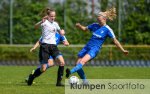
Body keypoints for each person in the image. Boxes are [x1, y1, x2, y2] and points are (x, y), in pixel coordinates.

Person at [65, 7, 129, 81]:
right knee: (77, 64)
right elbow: (85, 29)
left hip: (94, 49)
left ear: (104, 18)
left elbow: (115, 41)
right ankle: (85, 82)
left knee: (82, 62)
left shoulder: (108, 29)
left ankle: (70, 72)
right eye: (97, 16)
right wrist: (79, 26)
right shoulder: (95, 25)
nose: (97, 17)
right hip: (87, 46)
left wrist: (123, 50)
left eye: (99, 16)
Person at [27, 8, 67, 86]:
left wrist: (62, 33)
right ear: (48, 16)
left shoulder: (55, 24)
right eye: (51, 16)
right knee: (43, 68)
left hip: (53, 46)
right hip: (45, 47)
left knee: (62, 62)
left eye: (54, 16)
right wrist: (40, 22)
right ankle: (32, 77)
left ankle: (58, 82)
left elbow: (60, 33)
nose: (53, 18)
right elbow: (35, 27)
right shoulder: (44, 22)